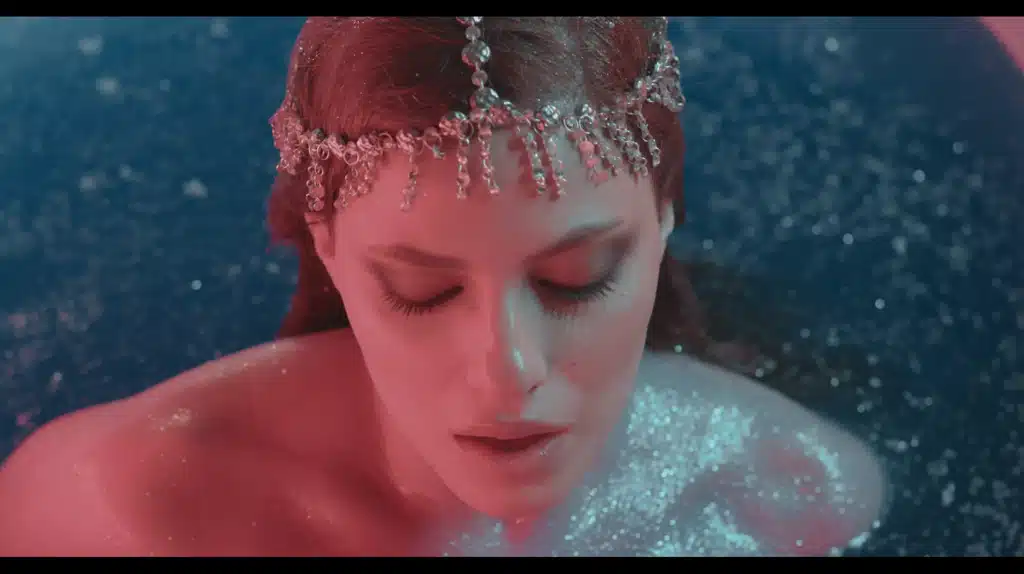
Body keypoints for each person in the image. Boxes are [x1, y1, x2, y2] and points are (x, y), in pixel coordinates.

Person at [0, 17, 886, 556]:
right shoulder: (119, 509)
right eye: (420, 290)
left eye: (576, 280)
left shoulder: (793, 492)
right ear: (328, 250)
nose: (507, 369)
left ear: (663, 226)